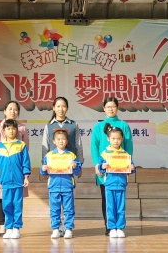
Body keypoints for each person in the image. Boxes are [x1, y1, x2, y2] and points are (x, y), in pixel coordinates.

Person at [41, 96, 84, 235]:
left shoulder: (73, 125)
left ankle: (67, 227)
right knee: (55, 203)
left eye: (63, 106)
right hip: (53, 172)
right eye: (58, 106)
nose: (61, 109)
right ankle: (57, 227)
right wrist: (44, 166)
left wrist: (79, 164)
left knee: (68, 202)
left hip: (69, 170)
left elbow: (78, 145)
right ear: (53, 108)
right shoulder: (48, 126)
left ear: (67, 108)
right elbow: (45, 146)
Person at [91, 97, 133, 235]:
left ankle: (119, 226)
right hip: (104, 170)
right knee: (106, 198)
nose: (110, 109)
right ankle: (109, 226)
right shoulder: (98, 127)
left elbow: (129, 146)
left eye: (113, 106)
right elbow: (94, 146)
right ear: (104, 108)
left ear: (117, 108)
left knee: (119, 200)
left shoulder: (124, 125)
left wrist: (127, 164)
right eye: (108, 106)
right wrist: (96, 164)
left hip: (119, 171)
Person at [0, 101, 29, 236]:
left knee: (16, 200)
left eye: (15, 109)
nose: (13, 111)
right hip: (2, 168)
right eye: (10, 109)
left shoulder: (22, 128)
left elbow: (26, 149)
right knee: (2, 198)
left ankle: (15, 227)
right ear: (4, 111)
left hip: (17, 170)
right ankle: (3, 226)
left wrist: (24, 171)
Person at [40, 129, 82, 239]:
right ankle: (56, 229)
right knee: (54, 209)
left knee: (69, 209)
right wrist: (43, 169)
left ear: (67, 141)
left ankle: (68, 229)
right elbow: (44, 172)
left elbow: (78, 171)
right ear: (54, 141)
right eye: (58, 139)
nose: (61, 141)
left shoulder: (71, 155)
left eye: (63, 139)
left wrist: (75, 166)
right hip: (53, 186)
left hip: (67, 186)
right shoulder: (49, 155)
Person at [97, 126, 135, 238]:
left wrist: (132, 168)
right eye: (113, 138)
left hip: (121, 184)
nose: (116, 141)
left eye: (118, 138)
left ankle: (120, 228)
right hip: (109, 184)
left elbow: (131, 168)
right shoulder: (104, 154)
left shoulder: (125, 154)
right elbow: (100, 168)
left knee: (121, 208)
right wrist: (102, 166)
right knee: (110, 208)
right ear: (108, 139)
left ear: (122, 139)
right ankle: (112, 228)